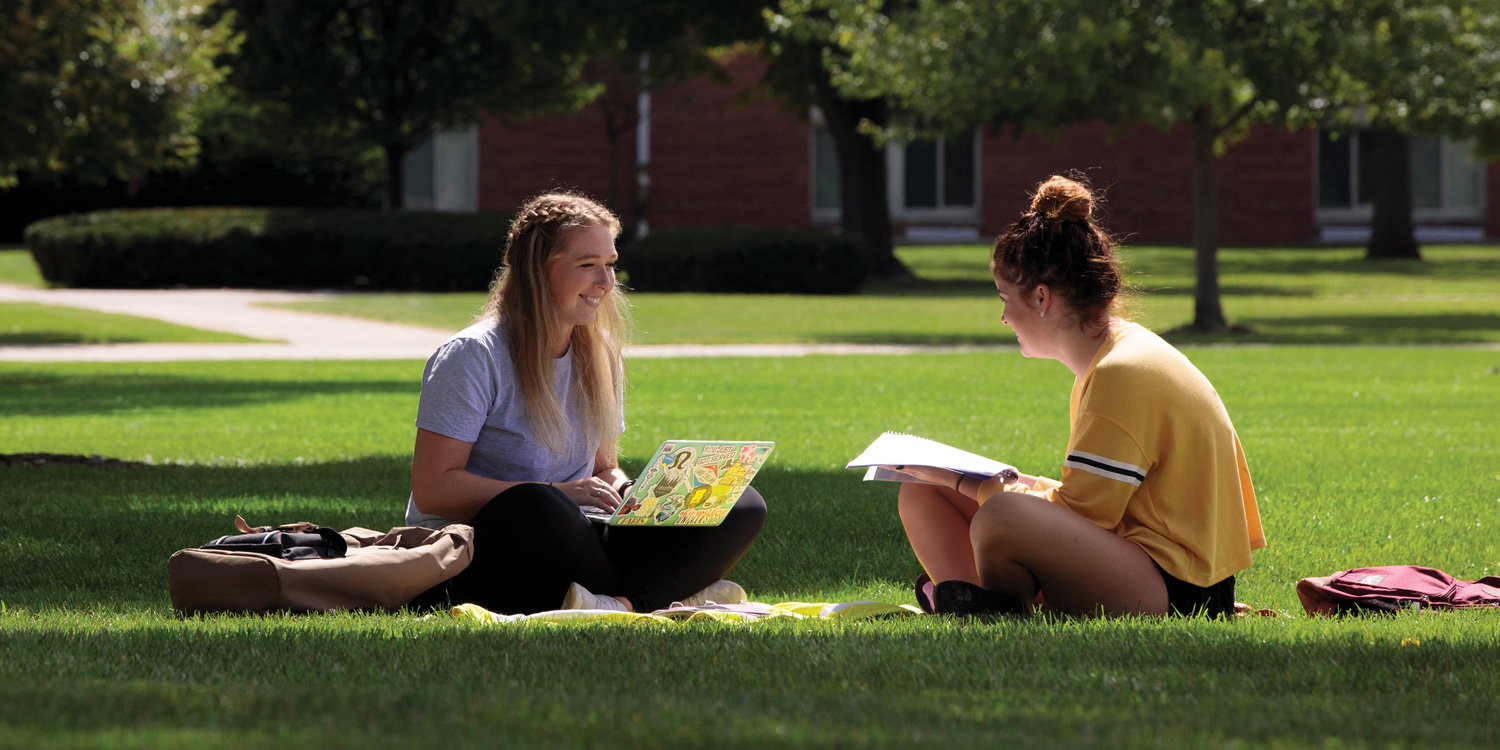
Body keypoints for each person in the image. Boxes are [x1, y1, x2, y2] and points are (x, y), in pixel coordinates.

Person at [893, 175, 1265, 619]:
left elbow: (1084, 518)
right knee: (921, 489)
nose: (1003, 317)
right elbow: (1087, 504)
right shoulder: (1112, 360)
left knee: (1000, 514)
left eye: (1005, 298)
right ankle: (972, 607)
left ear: (1042, 298)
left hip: (1180, 590)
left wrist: (969, 482)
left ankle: (992, 608)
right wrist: (972, 480)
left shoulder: (1120, 373)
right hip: (1142, 561)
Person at [406, 191, 765, 615]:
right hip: (479, 549)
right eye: (587, 265)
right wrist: (559, 493)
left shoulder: (598, 354)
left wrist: (632, 493)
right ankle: (670, 592)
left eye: (610, 265)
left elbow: (602, 468)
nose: (606, 283)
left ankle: (621, 604)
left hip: (580, 533)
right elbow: (433, 491)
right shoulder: (473, 355)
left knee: (738, 502)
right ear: (537, 270)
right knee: (537, 505)